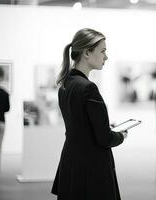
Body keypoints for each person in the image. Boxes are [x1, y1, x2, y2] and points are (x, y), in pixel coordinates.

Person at [51, 28, 128, 200]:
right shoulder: (88, 88)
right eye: (102, 51)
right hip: (91, 167)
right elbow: (105, 138)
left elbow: (81, 126)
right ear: (86, 52)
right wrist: (121, 135)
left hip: (72, 161)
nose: (106, 57)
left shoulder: (67, 83)